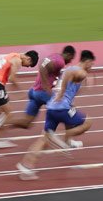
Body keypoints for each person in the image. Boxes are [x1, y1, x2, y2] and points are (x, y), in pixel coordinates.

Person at [17, 50, 96, 180]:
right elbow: (67, 79)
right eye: (91, 64)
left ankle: (26, 167)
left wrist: (66, 93)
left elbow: (68, 85)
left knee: (44, 139)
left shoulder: (70, 69)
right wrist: (62, 93)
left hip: (52, 108)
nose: (91, 67)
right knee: (88, 122)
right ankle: (64, 140)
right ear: (87, 62)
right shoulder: (79, 71)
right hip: (61, 108)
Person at [0, 46, 75, 142]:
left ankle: (2, 124)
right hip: (43, 93)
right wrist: (47, 88)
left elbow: (45, 64)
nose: (70, 61)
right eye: (71, 58)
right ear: (68, 54)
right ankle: (67, 140)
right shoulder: (60, 62)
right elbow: (42, 65)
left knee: (26, 123)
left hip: (34, 92)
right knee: (68, 109)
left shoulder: (54, 56)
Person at [0, 49, 39, 148]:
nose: (26, 66)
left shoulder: (11, 55)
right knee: (7, 115)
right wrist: (20, 91)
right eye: (29, 65)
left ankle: (0, 139)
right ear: (28, 58)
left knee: (0, 115)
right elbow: (12, 78)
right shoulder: (17, 60)